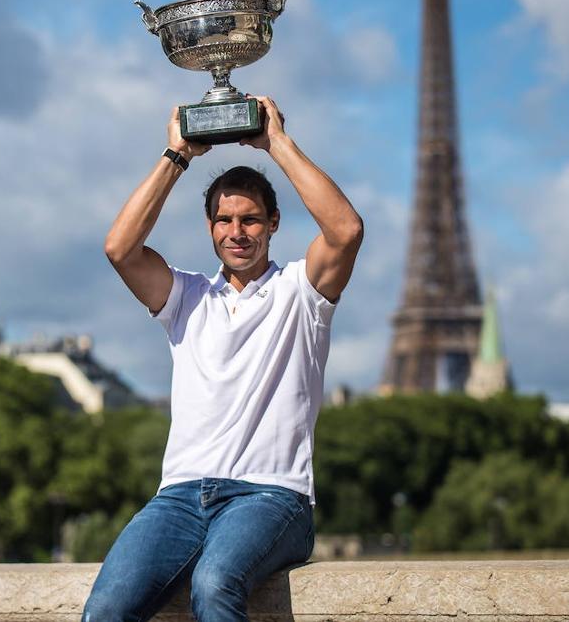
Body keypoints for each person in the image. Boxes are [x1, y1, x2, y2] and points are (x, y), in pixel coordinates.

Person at [85, 96, 363, 621]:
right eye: (224, 219)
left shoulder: (301, 291)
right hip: (179, 497)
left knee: (214, 584)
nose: (237, 232)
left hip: (272, 497)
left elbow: (345, 231)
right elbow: (120, 249)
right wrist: (176, 155)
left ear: (275, 222)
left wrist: (274, 142)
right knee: (104, 610)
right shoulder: (186, 297)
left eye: (251, 219)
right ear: (210, 226)